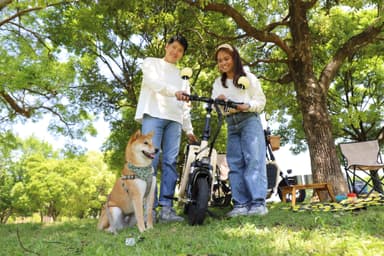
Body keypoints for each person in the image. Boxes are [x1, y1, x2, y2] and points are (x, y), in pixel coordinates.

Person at [135, 35, 197, 222]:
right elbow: (154, 83)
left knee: (170, 162)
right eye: (174, 47)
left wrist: (189, 129)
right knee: (149, 162)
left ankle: (166, 209)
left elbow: (185, 105)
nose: (176, 52)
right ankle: (148, 209)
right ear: (166, 46)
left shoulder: (183, 76)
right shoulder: (150, 63)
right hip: (154, 115)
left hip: (174, 121)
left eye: (180, 50)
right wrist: (174, 92)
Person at [212, 43, 268, 217]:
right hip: (231, 124)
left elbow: (260, 102)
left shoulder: (249, 77)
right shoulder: (218, 83)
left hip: (249, 121)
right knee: (235, 163)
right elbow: (219, 109)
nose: (223, 63)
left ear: (234, 58)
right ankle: (240, 205)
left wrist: (247, 106)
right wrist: (219, 102)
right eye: (220, 61)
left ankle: (258, 203)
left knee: (254, 160)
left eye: (226, 59)